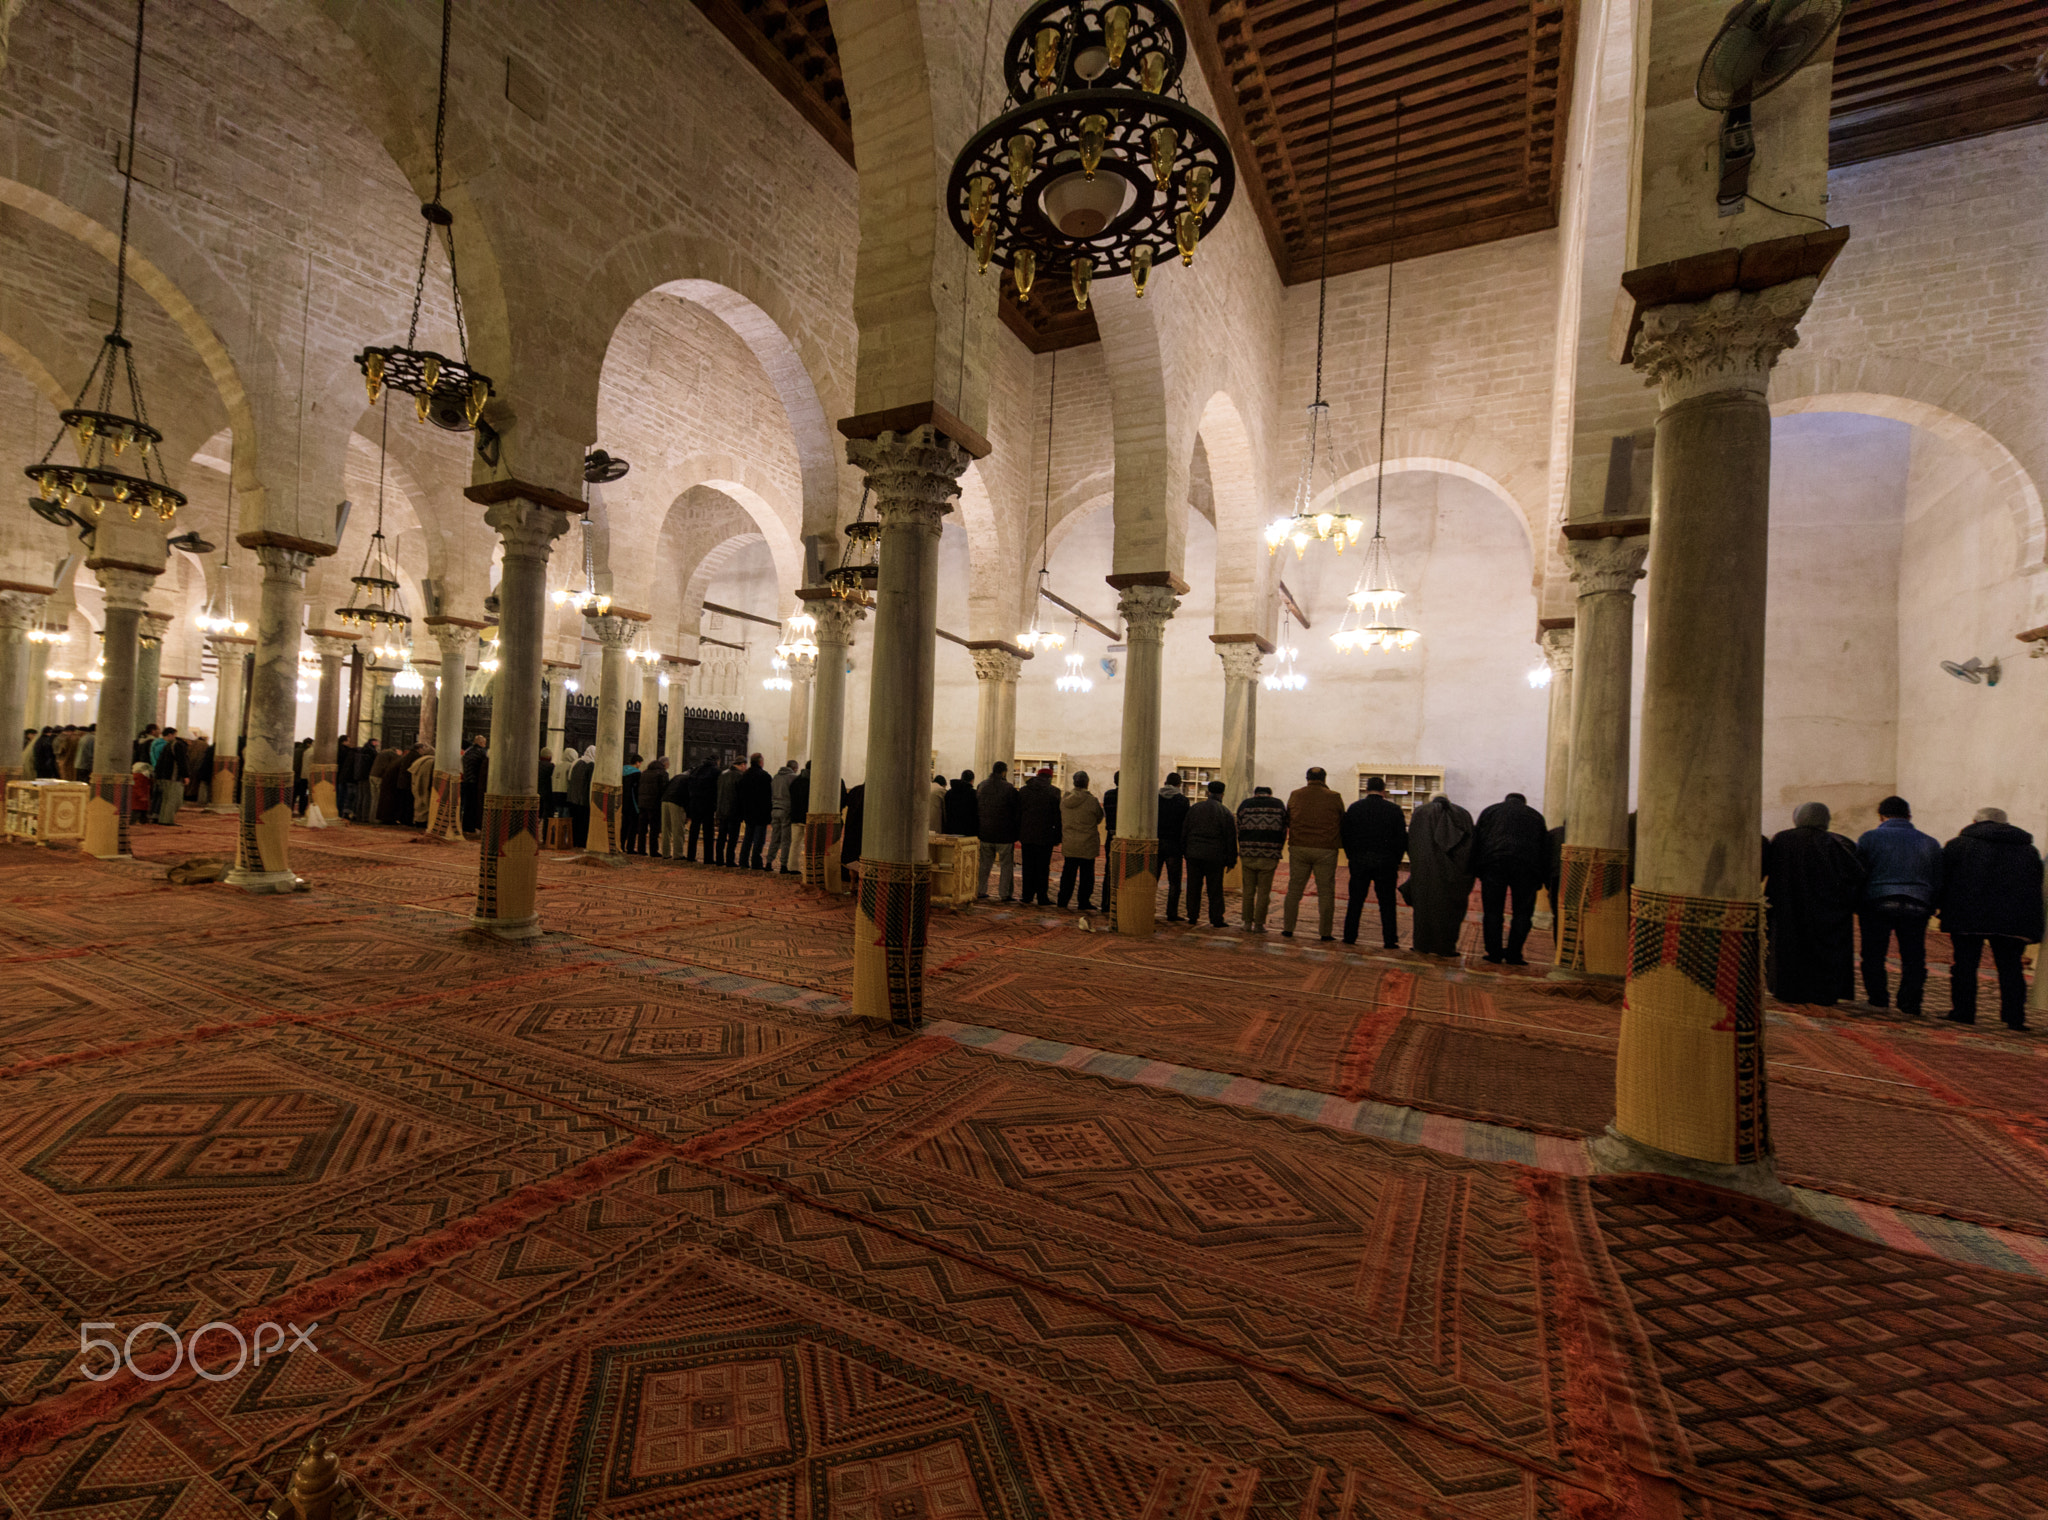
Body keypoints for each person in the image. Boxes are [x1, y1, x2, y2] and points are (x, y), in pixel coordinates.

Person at [1939, 807, 2044, 1029]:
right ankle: (2015, 1018)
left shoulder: (1958, 845)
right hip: (2011, 919)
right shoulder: (2028, 850)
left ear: (1975, 821)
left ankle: (1963, 1012)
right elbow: (2034, 887)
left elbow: (1944, 879)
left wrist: (1942, 908)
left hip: (1967, 916)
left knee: (1965, 966)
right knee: (2011, 969)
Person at [1763, 802, 1865, 1006]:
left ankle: (1787, 990)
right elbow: (1856, 876)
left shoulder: (1783, 840)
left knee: (1788, 950)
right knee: (1825, 953)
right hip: (1827, 914)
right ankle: (1823, 993)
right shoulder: (1838, 843)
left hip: (1788, 910)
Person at [1855, 795, 1942, 1016]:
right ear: (1909, 816)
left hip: (1878, 902)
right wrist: (1933, 905)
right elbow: (1938, 878)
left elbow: (1859, 873)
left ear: (1881, 816)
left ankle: (1878, 1000)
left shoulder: (1869, 838)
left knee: (1874, 954)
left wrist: (1858, 902)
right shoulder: (1929, 842)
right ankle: (1910, 1005)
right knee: (1914, 957)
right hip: (1917, 904)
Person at [1472, 791, 1549, 965]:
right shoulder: (1536, 816)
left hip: (1494, 864)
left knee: (1492, 911)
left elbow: (1477, 841)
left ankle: (1494, 953)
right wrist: (1541, 878)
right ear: (1524, 802)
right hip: (1526, 869)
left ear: (1505, 800)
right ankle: (1514, 954)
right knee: (1522, 913)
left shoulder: (1490, 811)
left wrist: (1477, 869)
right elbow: (1544, 849)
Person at [1342, 776, 1408, 949]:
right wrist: (1396, 860)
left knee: (1355, 900)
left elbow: (1346, 835)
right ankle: (1390, 940)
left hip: (1359, 861)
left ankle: (1349, 936)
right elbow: (1401, 839)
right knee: (1387, 903)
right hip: (1386, 863)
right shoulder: (1394, 810)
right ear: (1383, 791)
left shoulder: (1355, 808)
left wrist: (1352, 857)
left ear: (1366, 790)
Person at [1407, 794, 1476, 956]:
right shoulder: (1462, 813)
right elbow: (1470, 845)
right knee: (1450, 910)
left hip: (1425, 871)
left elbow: (1412, 842)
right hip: (1453, 872)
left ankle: (1421, 944)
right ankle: (1446, 947)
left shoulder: (1420, 812)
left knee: (1424, 908)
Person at [1281, 766, 1343, 940]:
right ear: (1324, 778)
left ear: (1307, 778)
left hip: (1299, 847)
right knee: (1326, 892)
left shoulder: (1295, 795)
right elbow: (1341, 820)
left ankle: (1288, 929)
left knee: (1294, 889)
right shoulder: (1334, 797)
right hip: (1326, 848)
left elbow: (1288, 818)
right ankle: (1325, 933)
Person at [1183, 779, 1236, 928]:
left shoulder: (1195, 808)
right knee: (1215, 889)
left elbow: (1185, 831)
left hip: (1194, 854)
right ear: (1222, 795)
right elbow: (1230, 838)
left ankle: (1192, 916)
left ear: (1208, 793)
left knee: (1193, 887)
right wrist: (1231, 860)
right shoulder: (1225, 812)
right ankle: (1216, 918)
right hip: (1215, 856)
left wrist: (1185, 851)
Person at [1235, 785, 1287, 932]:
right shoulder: (1278, 804)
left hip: (1248, 853)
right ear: (1270, 794)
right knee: (1264, 892)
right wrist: (1277, 848)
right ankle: (1259, 924)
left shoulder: (1245, 804)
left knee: (1248, 891)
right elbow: (1284, 830)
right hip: (1269, 855)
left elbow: (1238, 828)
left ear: (1255, 794)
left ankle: (1246, 923)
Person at [1058, 770, 1104, 911]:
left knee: (1068, 874)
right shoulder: (1092, 801)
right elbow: (1099, 818)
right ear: (1087, 783)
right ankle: (1083, 902)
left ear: (1074, 782)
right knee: (1087, 875)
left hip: (1070, 842)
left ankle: (1063, 900)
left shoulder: (1065, 800)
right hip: (1087, 843)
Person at [976, 762, 1019, 901]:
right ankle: (1004, 893)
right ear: (1004, 772)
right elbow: (1015, 810)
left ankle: (980, 890)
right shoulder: (1008, 788)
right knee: (1006, 865)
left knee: (984, 865)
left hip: (985, 832)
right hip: (1004, 834)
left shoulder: (982, 786)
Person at [1018, 768, 1061, 906]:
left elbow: (1018, 813)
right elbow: (1057, 817)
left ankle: (1027, 896)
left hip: (1027, 834)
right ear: (1050, 778)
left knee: (1028, 866)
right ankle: (1042, 897)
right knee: (1042, 868)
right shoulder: (1054, 792)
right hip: (1045, 836)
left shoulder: (1024, 791)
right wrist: (1058, 836)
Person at [1157, 772, 1190, 922]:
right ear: (1179, 785)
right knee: (1174, 882)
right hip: (1174, 845)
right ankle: (1172, 913)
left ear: (1165, 783)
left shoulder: (1155, 798)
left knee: (1152, 879)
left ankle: (1147, 908)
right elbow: (1185, 824)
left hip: (1156, 843)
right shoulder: (1182, 801)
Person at [739, 752, 773, 868]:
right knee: (759, 839)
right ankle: (756, 862)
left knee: (748, 838)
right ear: (760, 762)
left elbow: (741, 794)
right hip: (761, 812)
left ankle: (743, 861)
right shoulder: (765, 776)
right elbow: (768, 796)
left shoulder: (745, 775)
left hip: (748, 811)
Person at [686, 757, 720, 861]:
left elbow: (689, 785)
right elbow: (717, 788)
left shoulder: (696, 770)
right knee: (708, 831)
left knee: (694, 830)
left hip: (695, 802)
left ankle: (690, 856)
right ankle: (708, 858)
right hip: (707, 804)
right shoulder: (716, 771)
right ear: (717, 762)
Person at [151, 727, 186, 824]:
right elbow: (181, 762)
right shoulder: (174, 745)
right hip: (171, 776)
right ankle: (166, 820)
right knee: (172, 799)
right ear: (170, 735)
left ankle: (159, 817)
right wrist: (185, 775)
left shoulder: (157, 744)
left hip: (160, 775)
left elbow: (158, 761)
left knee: (163, 798)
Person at [768, 758, 799, 872]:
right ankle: (783, 865)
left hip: (775, 808)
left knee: (774, 837)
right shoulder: (793, 777)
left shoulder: (776, 777)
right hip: (786, 809)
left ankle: (768, 862)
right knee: (786, 839)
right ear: (794, 768)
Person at [636, 753, 669, 855]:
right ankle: (653, 850)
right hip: (654, 804)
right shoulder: (662, 773)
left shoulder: (644, 772)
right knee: (654, 828)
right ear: (665, 764)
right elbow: (664, 789)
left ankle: (641, 850)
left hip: (642, 803)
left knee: (642, 828)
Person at [715, 754, 745, 865]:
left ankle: (719, 859)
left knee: (721, 836)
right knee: (732, 838)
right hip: (734, 811)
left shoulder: (722, 774)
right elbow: (741, 796)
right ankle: (729, 860)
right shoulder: (740, 776)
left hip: (722, 809)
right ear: (742, 765)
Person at [662, 759, 692, 860]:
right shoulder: (689, 779)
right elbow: (687, 797)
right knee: (678, 829)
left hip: (665, 800)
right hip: (676, 802)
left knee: (666, 829)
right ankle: (677, 854)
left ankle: (665, 853)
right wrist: (688, 814)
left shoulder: (677, 776)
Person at [566, 746, 595, 848]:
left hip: (572, 798)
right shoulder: (591, 765)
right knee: (584, 821)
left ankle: (574, 841)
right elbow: (590, 783)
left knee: (575, 820)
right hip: (583, 799)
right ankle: (582, 842)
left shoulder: (576, 762)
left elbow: (569, 778)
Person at [372, 739, 406, 824]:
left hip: (372, 775)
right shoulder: (392, 754)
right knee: (379, 799)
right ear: (397, 751)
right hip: (379, 776)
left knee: (374, 799)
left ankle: (371, 818)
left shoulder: (383, 752)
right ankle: (376, 819)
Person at [459, 735, 488, 835]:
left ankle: (466, 827)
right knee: (475, 806)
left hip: (466, 781)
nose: (485, 745)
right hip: (476, 783)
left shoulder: (468, 752)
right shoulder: (481, 752)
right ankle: (473, 827)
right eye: (484, 743)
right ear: (480, 743)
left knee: (467, 806)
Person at [840, 781, 865, 885]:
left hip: (851, 826)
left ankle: (846, 874)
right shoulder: (873, 793)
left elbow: (844, 803)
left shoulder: (855, 790)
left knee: (850, 851)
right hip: (864, 828)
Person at [943, 769, 978, 838]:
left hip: (951, 830)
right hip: (968, 832)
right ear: (972, 781)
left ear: (961, 778)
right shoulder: (974, 794)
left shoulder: (949, 793)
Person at [409, 744, 436, 827]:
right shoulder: (431, 761)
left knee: (418, 803)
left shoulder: (419, 760)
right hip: (425, 784)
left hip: (416, 783)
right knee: (425, 802)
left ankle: (418, 820)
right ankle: (423, 821)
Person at [1103, 771, 1120, 837]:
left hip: (1111, 832)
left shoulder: (1108, 795)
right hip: (1127, 834)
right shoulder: (1130, 796)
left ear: (1114, 781)